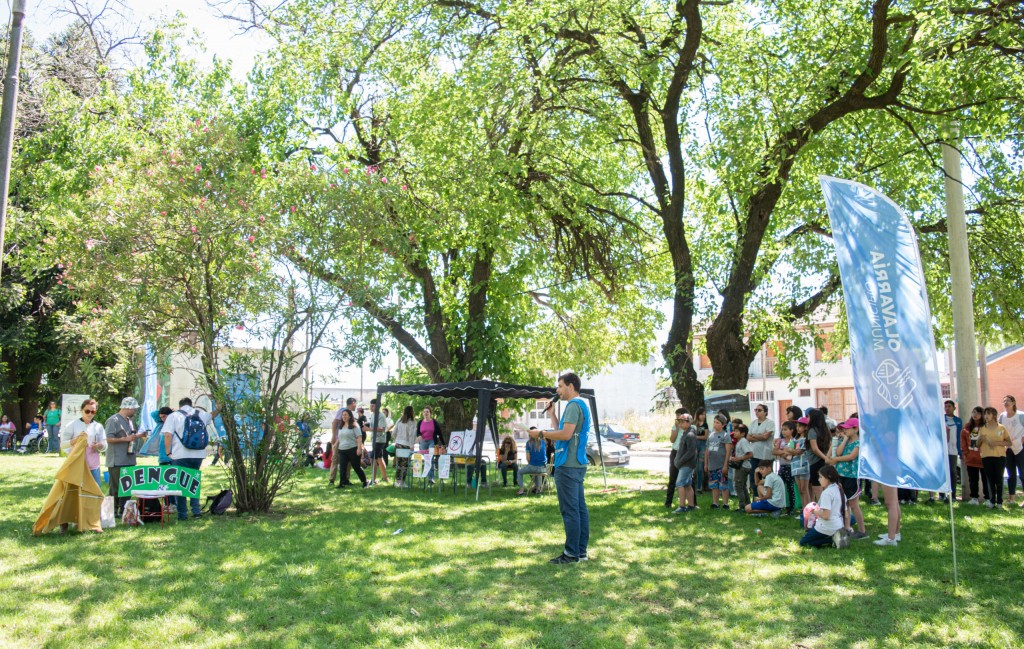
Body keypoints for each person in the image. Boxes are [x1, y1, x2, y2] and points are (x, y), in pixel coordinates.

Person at [542, 372, 592, 564]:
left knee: (570, 510)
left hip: (567, 465)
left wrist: (541, 433)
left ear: (571, 386)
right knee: (579, 509)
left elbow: (565, 435)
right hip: (577, 463)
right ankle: (580, 552)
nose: (557, 390)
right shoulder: (582, 404)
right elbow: (562, 431)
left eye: (560, 386)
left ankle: (571, 554)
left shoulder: (572, 405)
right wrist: (552, 415)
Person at [164, 397, 210, 521]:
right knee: (194, 482)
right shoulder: (202, 414)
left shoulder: (173, 416)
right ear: (192, 404)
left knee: (181, 484)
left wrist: (168, 452)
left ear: (180, 406)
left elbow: (168, 435)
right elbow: (212, 416)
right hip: (198, 454)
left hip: (180, 454)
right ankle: (196, 511)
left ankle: (182, 514)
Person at [105, 397, 144, 518]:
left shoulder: (129, 420)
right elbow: (107, 438)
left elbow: (129, 436)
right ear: (128, 408)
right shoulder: (113, 420)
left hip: (129, 459)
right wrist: (124, 439)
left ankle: (124, 510)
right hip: (117, 460)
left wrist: (138, 436)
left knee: (127, 487)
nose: (135, 412)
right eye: (134, 409)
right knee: (116, 488)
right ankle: (112, 511)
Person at [829, 418, 867, 540]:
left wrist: (835, 460)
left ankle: (862, 530)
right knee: (845, 503)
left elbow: (851, 456)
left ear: (855, 429)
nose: (844, 430)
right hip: (842, 475)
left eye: (847, 428)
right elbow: (839, 452)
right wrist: (844, 439)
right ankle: (847, 527)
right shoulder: (845, 441)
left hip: (852, 476)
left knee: (853, 504)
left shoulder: (858, 443)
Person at [60, 399, 107, 488]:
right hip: (76, 464)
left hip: (93, 465)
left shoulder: (98, 426)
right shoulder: (72, 425)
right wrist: (75, 440)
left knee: (95, 491)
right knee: (75, 492)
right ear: (82, 411)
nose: (90, 414)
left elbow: (105, 445)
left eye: (93, 411)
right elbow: (63, 445)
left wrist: (99, 445)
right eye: (87, 411)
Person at [799, 464, 848, 548]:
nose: (819, 480)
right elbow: (846, 514)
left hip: (826, 527)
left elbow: (826, 515)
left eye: (821, 477)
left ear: (828, 478)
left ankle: (832, 539)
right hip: (839, 525)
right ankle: (836, 537)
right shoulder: (840, 490)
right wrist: (847, 528)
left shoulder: (827, 493)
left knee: (803, 542)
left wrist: (814, 511)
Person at [979, 406, 1010, 509]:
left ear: (994, 415)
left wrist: (997, 443)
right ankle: (992, 501)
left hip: (999, 457)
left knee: (999, 480)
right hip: (986, 457)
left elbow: (1009, 442)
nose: (986, 416)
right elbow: (976, 444)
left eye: (988, 414)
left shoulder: (1001, 428)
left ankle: (1000, 502)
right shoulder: (982, 428)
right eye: (985, 414)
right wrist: (981, 439)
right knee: (990, 480)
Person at [998, 395, 1024, 507]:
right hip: (1008, 449)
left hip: (1021, 448)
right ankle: (1011, 498)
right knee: (1010, 474)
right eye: (1004, 401)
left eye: (1007, 401)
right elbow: (999, 431)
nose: (1005, 403)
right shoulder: (1002, 416)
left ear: (1013, 402)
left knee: (1023, 474)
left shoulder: (1021, 415)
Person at [961, 406, 988, 505]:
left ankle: (988, 498)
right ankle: (974, 498)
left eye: (978, 413)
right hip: (971, 458)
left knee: (986, 479)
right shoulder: (967, 426)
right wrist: (966, 453)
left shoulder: (986, 426)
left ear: (982, 415)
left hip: (984, 458)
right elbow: (963, 439)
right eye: (973, 412)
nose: (975, 415)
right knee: (973, 479)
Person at [335, 408, 368, 488]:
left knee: (356, 467)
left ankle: (365, 481)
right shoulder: (341, 426)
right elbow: (340, 438)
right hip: (342, 449)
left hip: (353, 449)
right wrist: (335, 445)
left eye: (345, 415)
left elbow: (359, 438)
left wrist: (359, 449)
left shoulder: (354, 425)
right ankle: (342, 483)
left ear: (350, 416)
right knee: (342, 467)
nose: (344, 416)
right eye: (343, 415)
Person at [705, 414, 733, 510]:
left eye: (718, 423)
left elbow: (728, 451)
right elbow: (707, 450)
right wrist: (706, 463)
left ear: (723, 425)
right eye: (714, 422)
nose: (715, 424)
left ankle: (725, 503)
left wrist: (725, 465)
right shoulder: (711, 435)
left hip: (721, 465)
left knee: (723, 485)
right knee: (714, 485)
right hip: (712, 464)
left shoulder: (725, 435)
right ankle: (715, 503)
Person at [747, 404, 776, 494]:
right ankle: (756, 497)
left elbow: (766, 437)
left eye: (759, 410)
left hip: (765, 455)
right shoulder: (753, 423)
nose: (757, 412)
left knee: (766, 477)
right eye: (756, 410)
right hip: (754, 454)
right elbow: (748, 437)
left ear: (765, 412)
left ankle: (768, 497)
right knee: (754, 476)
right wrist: (760, 436)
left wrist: (754, 436)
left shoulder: (770, 423)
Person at [672, 413, 698, 513]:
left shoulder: (690, 435)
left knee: (680, 483)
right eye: (680, 422)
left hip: (687, 464)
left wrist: (680, 461)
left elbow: (691, 452)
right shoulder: (685, 433)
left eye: (682, 422)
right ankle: (691, 506)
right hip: (685, 464)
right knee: (687, 484)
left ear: (688, 422)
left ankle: (682, 507)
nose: (680, 424)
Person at [328, 397, 357, 486]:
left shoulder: (351, 414)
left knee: (348, 461)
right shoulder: (343, 410)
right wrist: (334, 436)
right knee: (335, 459)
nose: (356, 406)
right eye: (355, 403)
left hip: (348, 441)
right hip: (339, 439)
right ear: (352, 403)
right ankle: (332, 480)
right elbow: (334, 423)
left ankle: (346, 480)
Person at [805, 408, 832, 501]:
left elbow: (815, 449)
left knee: (817, 489)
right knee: (825, 487)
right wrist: (827, 458)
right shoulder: (825, 429)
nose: (807, 419)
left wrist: (824, 458)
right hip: (824, 461)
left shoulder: (812, 430)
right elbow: (829, 445)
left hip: (816, 462)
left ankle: (823, 510)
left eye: (808, 417)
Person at [363, 399, 393, 485]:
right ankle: (385, 477)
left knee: (373, 458)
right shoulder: (372, 415)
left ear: (377, 407)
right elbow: (373, 426)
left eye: (373, 406)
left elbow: (381, 429)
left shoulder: (381, 416)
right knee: (379, 458)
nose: (371, 407)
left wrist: (368, 429)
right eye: (370, 405)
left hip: (379, 440)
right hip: (374, 439)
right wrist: (366, 425)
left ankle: (373, 479)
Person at [416, 406, 446, 484]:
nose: (425, 413)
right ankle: (425, 475)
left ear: (430, 413)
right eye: (424, 412)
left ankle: (431, 478)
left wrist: (444, 445)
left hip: (432, 442)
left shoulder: (434, 422)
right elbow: (417, 432)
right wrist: (419, 435)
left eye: (427, 412)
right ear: (423, 413)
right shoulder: (420, 422)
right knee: (426, 459)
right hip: (423, 442)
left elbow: (440, 434)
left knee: (430, 458)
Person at [666, 408, 689, 507]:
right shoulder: (675, 426)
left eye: (679, 416)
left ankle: (692, 502)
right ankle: (668, 502)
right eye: (676, 416)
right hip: (675, 452)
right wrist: (676, 428)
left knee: (688, 479)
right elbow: (672, 439)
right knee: (672, 478)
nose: (677, 418)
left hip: (685, 452)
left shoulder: (690, 427)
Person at [773, 420, 797, 514]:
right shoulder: (780, 441)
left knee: (790, 488)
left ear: (791, 430)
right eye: (782, 429)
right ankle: (780, 506)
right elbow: (774, 451)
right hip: (782, 466)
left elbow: (793, 453)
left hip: (790, 466)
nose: (783, 431)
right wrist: (784, 453)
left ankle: (791, 508)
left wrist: (782, 452)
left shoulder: (794, 441)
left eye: (785, 429)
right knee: (780, 487)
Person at [731, 424, 755, 511]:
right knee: (743, 486)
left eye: (737, 431)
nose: (734, 433)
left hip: (743, 467)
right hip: (742, 466)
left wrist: (738, 458)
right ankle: (747, 504)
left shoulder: (743, 441)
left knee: (738, 486)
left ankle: (742, 506)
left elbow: (750, 454)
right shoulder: (739, 441)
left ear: (743, 433)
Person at [392, 406, 418, 487]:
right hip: (406, 445)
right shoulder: (412, 422)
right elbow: (411, 435)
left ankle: (397, 481)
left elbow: (393, 432)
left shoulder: (399, 420)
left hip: (398, 444)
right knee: (405, 464)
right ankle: (402, 482)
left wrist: (397, 440)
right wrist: (412, 445)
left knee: (399, 464)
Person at [518, 427, 548, 495]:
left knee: (519, 472)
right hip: (544, 468)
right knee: (538, 471)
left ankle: (521, 490)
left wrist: (530, 464)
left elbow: (528, 458)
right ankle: (538, 489)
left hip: (533, 467)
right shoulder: (543, 442)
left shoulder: (529, 443)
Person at [693, 408, 709, 493]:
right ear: (698, 415)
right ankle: (692, 486)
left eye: (704, 414)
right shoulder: (694, 424)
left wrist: (697, 437)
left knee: (700, 467)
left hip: (703, 445)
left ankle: (699, 487)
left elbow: (705, 437)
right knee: (693, 467)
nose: (703, 416)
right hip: (695, 445)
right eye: (702, 414)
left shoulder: (705, 425)